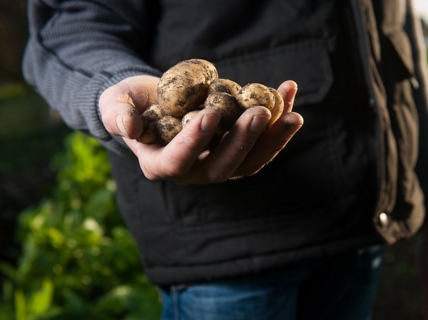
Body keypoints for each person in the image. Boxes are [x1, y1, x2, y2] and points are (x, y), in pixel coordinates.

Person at [23, 0, 428, 319]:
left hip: (360, 224)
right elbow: (69, 26)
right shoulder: (203, 101)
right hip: (228, 250)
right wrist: (110, 86)